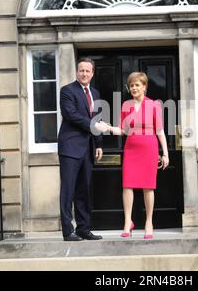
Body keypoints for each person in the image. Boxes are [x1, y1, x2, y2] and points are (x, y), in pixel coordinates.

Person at [103, 72, 169, 239]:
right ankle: (127, 222)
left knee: (148, 186)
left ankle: (149, 222)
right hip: (131, 149)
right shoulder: (126, 105)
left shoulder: (154, 105)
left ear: (144, 87)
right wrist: (109, 128)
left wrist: (165, 154)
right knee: (127, 185)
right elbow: (123, 130)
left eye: (137, 85)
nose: (133, 88)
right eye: (131, 85)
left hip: (150, 148)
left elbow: (160, 131)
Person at [58, 58, 108, 241]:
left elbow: (97, 119)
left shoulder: (95, 93)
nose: (84, 74)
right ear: (77, 72)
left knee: (84, 190)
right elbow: (71, 115)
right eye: (81, 71)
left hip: (88, 148)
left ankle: (83, 229)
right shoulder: (67, 91)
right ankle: (67, 231)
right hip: (70, 147)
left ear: (92, 73)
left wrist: (99, 143)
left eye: (87, 71)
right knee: (68, 190)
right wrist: (94, 126)